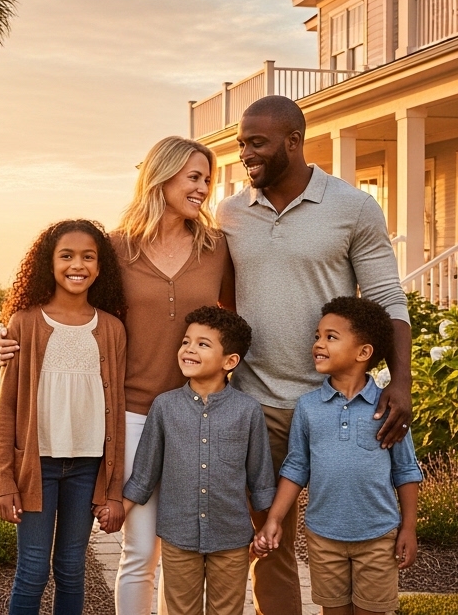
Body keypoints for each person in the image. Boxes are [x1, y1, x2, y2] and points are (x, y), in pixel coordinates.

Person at [0, 136, 233, 615]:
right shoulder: (116, 250)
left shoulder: (217, 248)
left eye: (207, 179)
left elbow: (232, 323)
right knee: (140, 551)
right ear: (161, 178)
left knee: (186, 553)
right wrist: (7, 341)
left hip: (196, 417)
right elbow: (69, 312)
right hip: (130, 417)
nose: (203, 189)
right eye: (193, 177)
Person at [221, 96, 412, 615]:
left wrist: (401, 383)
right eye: (241, 144)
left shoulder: (352, 207)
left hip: (336, 405)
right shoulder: (231, 213)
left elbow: (388, 298)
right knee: (268, 534)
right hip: (257, 401)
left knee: (351, 530)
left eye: (256, 143)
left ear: (293, 141)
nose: (246, 154)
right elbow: (219, 300)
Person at [0, 219, 130, 615]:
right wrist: (4, 481)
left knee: (71, 569)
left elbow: (116, 414)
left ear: (100, 266)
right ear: (48, 264)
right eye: (66, 255)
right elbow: (6, 409)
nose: (78, 265)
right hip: (37, 467)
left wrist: (114, 488)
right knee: (32, 571)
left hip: (87, 469)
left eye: (89, 257)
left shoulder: (112, 329)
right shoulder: (25, 323)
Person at [253, 296, 422, 615]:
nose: (318, 343)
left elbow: (406, 471)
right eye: (317, 335)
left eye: (331, 337)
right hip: (323, 537)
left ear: (363, 352)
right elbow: (296, 467)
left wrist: (409, 528)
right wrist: (274, 519)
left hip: (377, 536)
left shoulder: (388, 408)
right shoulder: (308, 407)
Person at [122, 306, 274, 615]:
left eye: (203, 344)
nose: (189, 349)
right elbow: (144, 475)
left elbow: (260, 480)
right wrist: (116, 511)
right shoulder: (164, 407)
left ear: (230, 361)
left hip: (231, 540)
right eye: (186, 342)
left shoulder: (248, 411)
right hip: (179, 538)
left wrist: (265, 529)